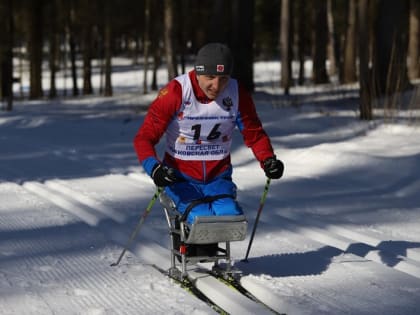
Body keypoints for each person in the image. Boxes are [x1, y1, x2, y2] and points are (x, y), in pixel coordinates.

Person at [133, 43, 284, 254]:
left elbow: (254, 133)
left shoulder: (236, 93)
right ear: (198, 72)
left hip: (218, 176)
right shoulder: (176, 92)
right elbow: (144, 138)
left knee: (230, 218)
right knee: (200, 218)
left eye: (223, 79)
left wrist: (268, 160)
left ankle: (207, 250)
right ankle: (187, 246)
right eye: (210, 77)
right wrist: (155, 168)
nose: (216, 85)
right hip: (180, 178)